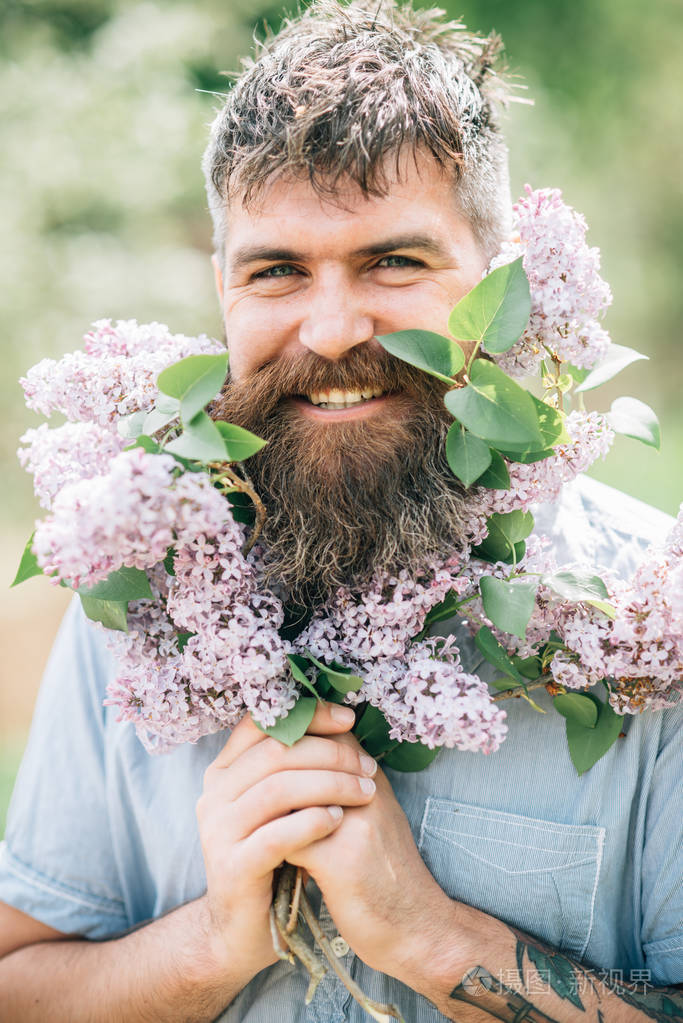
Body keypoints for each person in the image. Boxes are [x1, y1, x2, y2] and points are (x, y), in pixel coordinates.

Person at [0, 2, 680, 1020]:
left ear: (500, 285)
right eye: (275, 270)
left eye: (393, 262)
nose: (328, 329)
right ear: (222, 290)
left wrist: (430, 937)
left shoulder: (644, 619)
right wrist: (209, 948)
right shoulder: (137, 597)